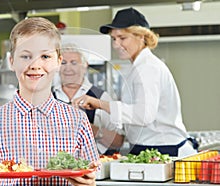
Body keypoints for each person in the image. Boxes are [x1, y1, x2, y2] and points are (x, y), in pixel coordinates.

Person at [0, 17, 99, 186]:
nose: (35, 65)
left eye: (45, 56)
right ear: (12, 61)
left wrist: (87, 184)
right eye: (25, 56)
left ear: (58, 61)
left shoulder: (78, 120)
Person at [73, 7, 198, 158]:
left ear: (141, 37)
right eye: (114, 39)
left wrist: (99, 104)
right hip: (150, 149)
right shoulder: (138, 67)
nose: (116, 44)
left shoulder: (147, 68)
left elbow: (143, 115)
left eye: (122, 38)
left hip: (163, 150)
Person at [52, 43, 125, 155]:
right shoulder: (48, 97)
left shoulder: (101, 97)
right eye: (63, 63)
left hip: (93, 166)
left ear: (85, 65)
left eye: (74, 63)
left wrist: (89, 128)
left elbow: (118, 141)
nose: (68, 68)